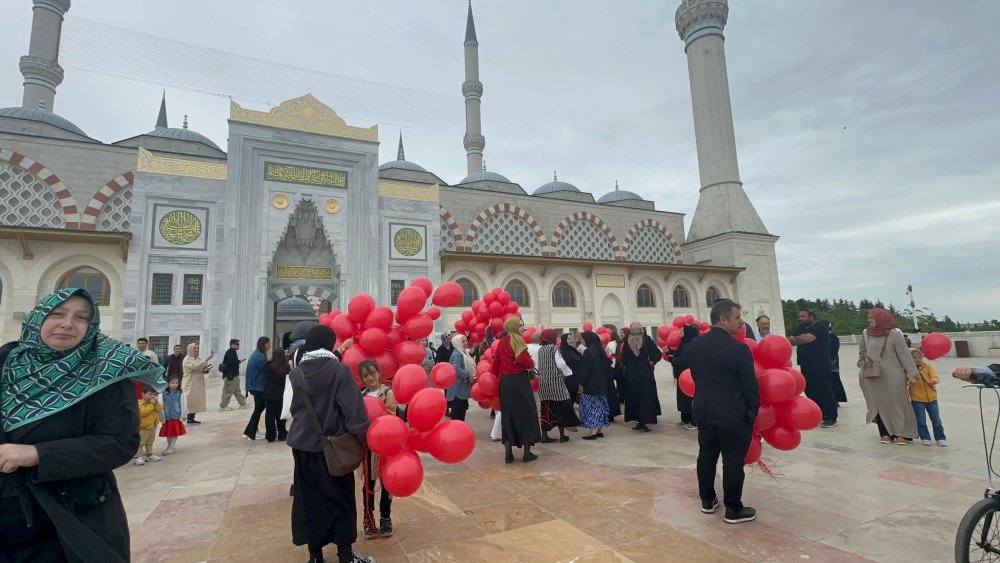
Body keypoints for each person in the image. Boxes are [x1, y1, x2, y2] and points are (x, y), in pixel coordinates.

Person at [0, 288, 163, 561]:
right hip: (9, 513)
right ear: (38, 318)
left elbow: (120, 443)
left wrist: (38, 455)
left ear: (91, 326)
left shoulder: (105, 373)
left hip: (72, 515)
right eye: (57, 314)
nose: (67, 324)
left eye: (81, 317)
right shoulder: (6, 360)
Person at [287, 325, 373, 563]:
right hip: (333, 449)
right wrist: (366, 441)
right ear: (331, 343)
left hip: (303, 448)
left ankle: (315, 556)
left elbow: (291, 410)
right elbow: (353, 413)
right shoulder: (340, 371)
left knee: (309, 501)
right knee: (341, 500)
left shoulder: (296, 373)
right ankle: (345, 554)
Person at [686, 299, 759, 524]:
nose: (741, 322)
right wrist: (751, 412)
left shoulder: (695, 345)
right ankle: (733, 509)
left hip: (704, 410)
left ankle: (708, 500)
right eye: (737, 317)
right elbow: (750, 386)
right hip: (732, 414)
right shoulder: (738, 348)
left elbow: (698, 378)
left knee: (706, 456)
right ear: (723, 319)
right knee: (733, 461)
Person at [858, 308, 919, 445]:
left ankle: (902, 433)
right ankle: (884, 432)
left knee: (897, 404)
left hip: (893, 375)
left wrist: (912, 375)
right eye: (868, 318)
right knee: (878, 404)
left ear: (881, 318)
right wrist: (863, 363)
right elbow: (862, 352)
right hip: (872, 376)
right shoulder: (866, 333)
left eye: (871, 318)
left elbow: (904, 355)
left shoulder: (894, 334)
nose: (869, 320)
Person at [491, 316, 541, 463]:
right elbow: (523, 360)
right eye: (520, 326)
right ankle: (527, 454)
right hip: (519, 381)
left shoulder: (501, 342)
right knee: (527, 414)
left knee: (508, 416)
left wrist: (493, 380)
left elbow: (496, 364)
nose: (522, 328)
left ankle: (508, 453)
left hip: (506, 383)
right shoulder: (518, 340)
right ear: (513, 327)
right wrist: (531, 362)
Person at [357, 359, 397, 540]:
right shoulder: (360, 395)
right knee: (368, 483)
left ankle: (385, 516)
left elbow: (392, 416)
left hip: (385, 445)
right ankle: (368, 517)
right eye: (365, 376)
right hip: (367, 447)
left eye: (373, 373)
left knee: (387, 482)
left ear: (379, 373)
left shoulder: (388, 393)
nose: (370, 378)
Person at [788, 309, 838, 428]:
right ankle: (819, 413)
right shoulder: (801, 327)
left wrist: (797, 339)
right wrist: (797, 338)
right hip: (806, 364)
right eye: (799, 316)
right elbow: (793, 338)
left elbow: (806, 339)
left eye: (803, 316)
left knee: (824, 390)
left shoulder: (820, 327)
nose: (800, 318)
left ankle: (831, 416)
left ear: (811, 317)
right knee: (810, 390)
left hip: (820, 364)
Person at [537, 329, 579, 443]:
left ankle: (544, 435)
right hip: (556, 383)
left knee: (546, 409)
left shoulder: (540, 350)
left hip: (544, 384)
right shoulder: (554, 349)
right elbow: (561, 364)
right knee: (562, 407)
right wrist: (568, 374)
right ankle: (562, 435)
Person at [620, 322, 663, 433]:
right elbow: (657, 354)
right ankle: (644, 422)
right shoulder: (646, 339)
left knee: (634, 395)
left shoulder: (627, 340)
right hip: (644, 371)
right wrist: (652, 361)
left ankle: (638, 421)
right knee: (645, 395)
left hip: (631, 372)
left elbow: (624, 358)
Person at [578, 331, 611, 441]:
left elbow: (585, 370)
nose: (582, 342)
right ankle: (599, 430)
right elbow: (608, 364)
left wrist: (581, 383)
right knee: (600, 406)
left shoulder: (588, 351)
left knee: (591, 407)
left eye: (583, 339)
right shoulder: (599, 349)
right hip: (602, 383)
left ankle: (592, 432)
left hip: (591, 385)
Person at [909, 348, 946, 446]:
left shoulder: (928, 367)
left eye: (919, 357)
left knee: (936, 420)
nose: (917, 359)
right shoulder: (908, 370)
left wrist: (933, 380)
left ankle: (940, 437)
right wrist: (910, 382)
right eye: (913, 357)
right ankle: (925, 437)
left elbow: (936, 377)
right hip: (917, 399)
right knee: (921, 420)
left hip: (932, 398)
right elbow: (905, 382)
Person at [670, 324, 700, 429]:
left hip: (688, 377)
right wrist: (671, 355)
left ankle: (693, 422)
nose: (680, 332)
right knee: (683, 399)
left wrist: (673, 359)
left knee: (688, 399)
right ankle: (685, 419)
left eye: (682, 330)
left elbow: (683, 360)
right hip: (682, 376)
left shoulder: (688, 345)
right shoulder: (683, 344)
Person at [243, 337, 270, 440]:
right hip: (257, 386)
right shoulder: (259, 356)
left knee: (258, 409)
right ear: (263, 344)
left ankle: (248, 432)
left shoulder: (258, 354)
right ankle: (251, 434)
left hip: (255, 385)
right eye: (268, 344)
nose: (270, 346)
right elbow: (266, 369)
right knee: (258, 409)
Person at [263, 347, 290, 442]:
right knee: (280, 415)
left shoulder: (270, 366)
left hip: (270, 394)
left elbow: (263, 370)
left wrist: (269, 361)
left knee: (270, 416)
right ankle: (282, 435)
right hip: (281, 394)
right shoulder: (286, 366)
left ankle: (270, 435)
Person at [182, 343, 214, 424]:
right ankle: (185, 415)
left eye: (197, 348)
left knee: (196, 399)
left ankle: (191, 417)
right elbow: (195, 367)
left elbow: (201, 368)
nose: (196, 350)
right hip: (190, 381)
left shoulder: (198, 358)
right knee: (189, 399)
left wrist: (206, 369)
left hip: (198, 381)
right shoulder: (187, 359)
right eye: (194, 348)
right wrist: (207, 358)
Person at [447, 334, 476, 421]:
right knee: (457, 414)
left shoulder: (464, 352)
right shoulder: (457, 354)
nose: (465, 343)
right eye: (462, 341)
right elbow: (456, 369)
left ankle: (460, 431)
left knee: (461, 412)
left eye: (466, 340)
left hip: (462, 388)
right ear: (457, 342)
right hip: (458, 388)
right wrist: (468, 375)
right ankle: (455, 432)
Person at [135, 385, 163, 465]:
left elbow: (159, 409)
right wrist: (151, 405)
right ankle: (139, 456)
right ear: (143, 394)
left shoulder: (154, 403)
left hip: (152, 426)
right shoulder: (140, 403)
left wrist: (156, 403)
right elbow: (143, 412)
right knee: (141, 442)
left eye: (154, 394)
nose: (153, 396)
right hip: (143, 427)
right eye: (150, 394)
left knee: (150, 441)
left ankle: (150, 454)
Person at [159, 376, 186, 455]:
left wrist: (183, 414)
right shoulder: (163, 394)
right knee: (168, 432)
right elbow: (161, 404)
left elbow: (183, 404)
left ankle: (171, 447)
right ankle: (169, 446)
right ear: (167, 384)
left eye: (176, 383)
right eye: (173, 383)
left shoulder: (180, 393)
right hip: (167, 417)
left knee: (174, 432)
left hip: (175, 416)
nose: (175, 384)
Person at [219, 338, 248, 411]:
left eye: (239, 344)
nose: (238, 346)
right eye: (237, 344)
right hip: (230, 376)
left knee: (237, 391)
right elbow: (231, 363)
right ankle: (223, 406)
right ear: (232, 345)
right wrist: (239, 361)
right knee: (228, 391)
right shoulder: (230, 352)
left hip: (234, 376)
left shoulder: (232, 352)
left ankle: (242, 404)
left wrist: (238, 361)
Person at [826, 321, 848, 403]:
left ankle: (835, 399)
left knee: (834, 380)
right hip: (831, 361)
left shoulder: (833, 337)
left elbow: (833, 350)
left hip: (832, 361)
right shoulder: (830, 336)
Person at [559, 333, 583, 404]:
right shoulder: (561, 351)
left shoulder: (574, 350)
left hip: (576, 379)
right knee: (568, 401)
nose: (571, 340)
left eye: (572, 338)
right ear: (564, 340)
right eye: (569, 339)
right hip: (567, 381)